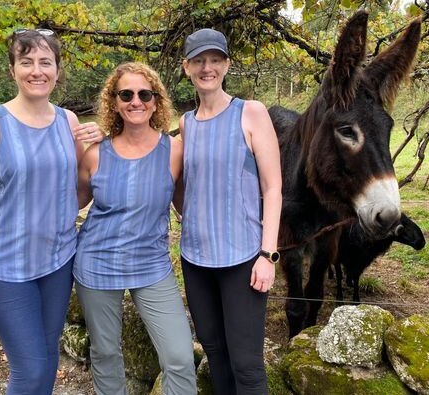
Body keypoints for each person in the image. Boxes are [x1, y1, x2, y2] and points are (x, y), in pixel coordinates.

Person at [0, 28, 104, 395]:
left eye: (45, 62)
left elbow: (75, 194)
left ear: (57, 69)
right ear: (12, 70)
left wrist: (101, 149)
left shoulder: (69, 122)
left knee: (47, 364)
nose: (36, 71)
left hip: (57, 263)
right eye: (26, 62)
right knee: (31, 370)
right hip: (6, 270)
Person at [73, 62, 197, 395]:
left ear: (156, 101)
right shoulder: (96, 154)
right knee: (105, 353)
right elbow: (72, 202)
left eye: (144, 94)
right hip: (96, 263)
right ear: (113, 102)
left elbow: (187, 204)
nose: (135, 101)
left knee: (179, 357)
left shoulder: (175, 151)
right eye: (125, 94)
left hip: (152, 265)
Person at [178, 28, 282, 394]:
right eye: (199, 61)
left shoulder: (250, 113)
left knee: (247, 364)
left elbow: (273, 188)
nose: (208, 67)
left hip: (243, 260)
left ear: (227, 65)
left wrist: (268, 254)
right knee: (215, 352)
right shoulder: (185, 124)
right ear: (186, 67)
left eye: (215, 60)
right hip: (196, 260)